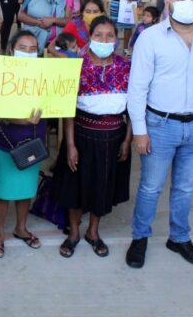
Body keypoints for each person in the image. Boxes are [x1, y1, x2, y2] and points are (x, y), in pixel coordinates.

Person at [126, 0, 193, 269]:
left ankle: (179, 238)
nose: (188, 3)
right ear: (167, 3)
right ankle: (140, 237)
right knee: (150, 187)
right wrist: (140, 131)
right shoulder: (151, 37)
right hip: (160, 125)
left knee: (185, 187)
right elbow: (137, 88)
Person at [54, 16, 132, 258]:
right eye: (99, 35)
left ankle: (93, 232)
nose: (105, 40)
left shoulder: (126, 67)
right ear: (90, 37)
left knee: (103, 187)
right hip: (82, 135)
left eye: (110, 35)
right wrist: (70, 145)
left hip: (114, 137)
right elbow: (68, 108)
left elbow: (134, 109)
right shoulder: (76, 65)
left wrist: (128, 140)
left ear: (116, 39)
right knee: (76, 188)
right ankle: (74, 232)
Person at [0, 31, 46, 259]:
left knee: (26, 190)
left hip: (34, 141)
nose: (29, 52)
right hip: (7, 141)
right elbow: (0, 111)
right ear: (12, 49)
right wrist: (23, 120)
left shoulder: (46, 75)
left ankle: (21, 228)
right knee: (3, 191)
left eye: (33, 49)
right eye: (23, 47)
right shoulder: (2, 74)